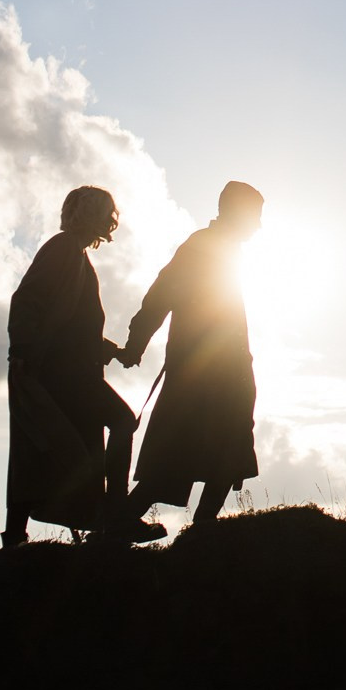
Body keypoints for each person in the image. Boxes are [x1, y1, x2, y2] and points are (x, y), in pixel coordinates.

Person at [1, 186, 162, 547]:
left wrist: (110, 350)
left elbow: (73, 325)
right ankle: (117, 517)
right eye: (107, 213)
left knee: (43, 448)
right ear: (90, 215)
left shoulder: (72, 254)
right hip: (60, 373)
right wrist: (23, 351)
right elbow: (27, 301)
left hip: (65, 369)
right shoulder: (62, 250)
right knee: (115, 424)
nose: (112, 220)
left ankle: (15, 536)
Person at [119, 180, 265, 531]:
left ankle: (200, 533)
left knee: (221, 456)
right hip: (202, 376)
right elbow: (161, 295)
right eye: (255, 216)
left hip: (223, 372)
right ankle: (120, 525)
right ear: (236, 212)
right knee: (181, 456)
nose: (259, 225)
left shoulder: (222, 249)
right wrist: (136, 342)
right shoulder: (203, 247)